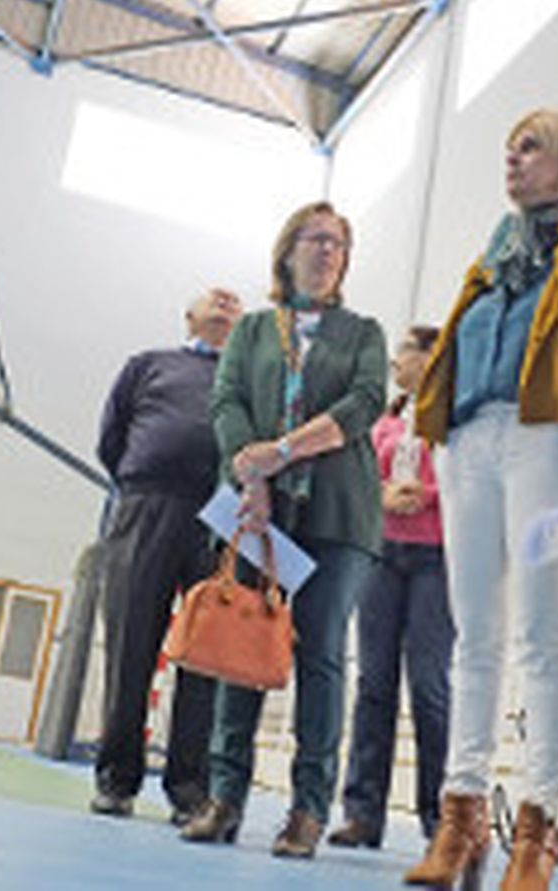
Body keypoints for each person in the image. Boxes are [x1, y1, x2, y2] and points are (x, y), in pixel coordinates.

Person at [404, 108, 558, 891]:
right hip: (470, 439)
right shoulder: (492, 256)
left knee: (545, 638)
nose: (512, 160)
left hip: (554, 439)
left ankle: (538, 831)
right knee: (473, 635)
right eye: (508, 148)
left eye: (530, 147)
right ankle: (462, 814)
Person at [178, 201, 387, 860]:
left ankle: (307, 809)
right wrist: (254, 479)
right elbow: (227, 402)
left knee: (321, 655)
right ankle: (224, 797)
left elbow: (362, 404)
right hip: (260, 512)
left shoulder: (364, 331)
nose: (329, 252)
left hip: (338, 515)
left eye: (340, 244)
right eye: (317, 239)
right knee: (240, 648)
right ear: (288, 249)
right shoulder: (252, 331)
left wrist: (283, 451)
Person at [89, 287, 243, 825]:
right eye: (214, 298)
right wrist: (144, 480)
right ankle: (116, 780)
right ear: (190, 315)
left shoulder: (246, 379)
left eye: (234, 301)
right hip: (146, 507)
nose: (225, 300)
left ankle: (187, 789)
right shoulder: (148, 365)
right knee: (131, 646)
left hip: (218, 518)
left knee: (205, 658)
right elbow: (112, 439)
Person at [328, 325, 454, 849]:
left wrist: (422, 495)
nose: (397, 359)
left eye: (406, 350)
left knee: (429, 685)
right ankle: (363, 814)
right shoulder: (381, 422)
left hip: (438, 559)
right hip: (380, 556)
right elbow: (357, 479)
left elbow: (469, 480)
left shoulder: (456, 418)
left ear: (430, 358)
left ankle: (437, 817)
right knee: (374, 683)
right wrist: (380, 494)